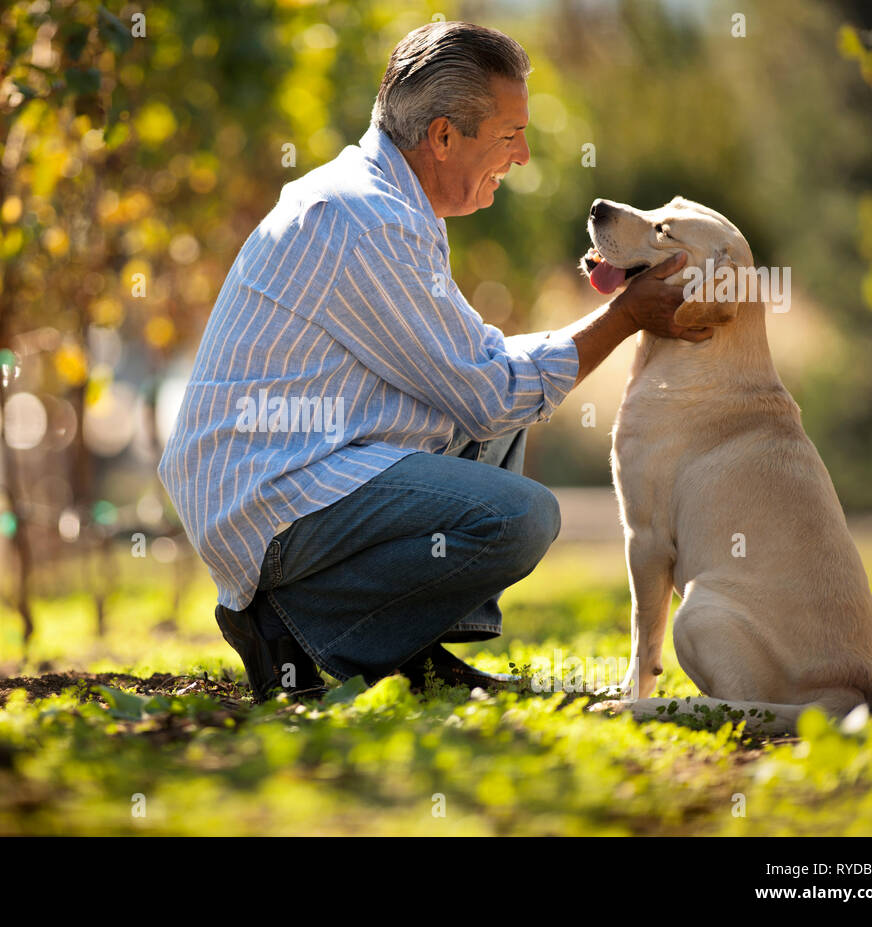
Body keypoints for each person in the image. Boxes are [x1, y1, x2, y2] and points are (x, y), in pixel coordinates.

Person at [157, 20, 706, 701]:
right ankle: (289, 629)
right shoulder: (367, 219)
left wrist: (604, 323)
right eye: (511, 136)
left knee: (501, 416)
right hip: (268, 496)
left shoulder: (394, 204)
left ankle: (404, 647)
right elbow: (490, 392)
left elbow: (478, 371)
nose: (525, 156)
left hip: (291, 470)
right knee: (522, 515)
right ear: (444, 137)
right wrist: (625, 317)